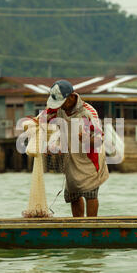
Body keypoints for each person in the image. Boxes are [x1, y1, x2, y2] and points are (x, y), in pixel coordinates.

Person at [40, 80, 109, 218]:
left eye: (62, 102)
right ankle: (78, 225)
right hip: (71, 157)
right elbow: (42, 118)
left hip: (89, 159)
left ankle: (91, 226)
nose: (60, 106)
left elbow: (99, 139)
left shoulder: (88, 113)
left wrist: (86, 140)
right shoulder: (58, 109)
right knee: (74, 194)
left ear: (72, 97)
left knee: (91, 193)